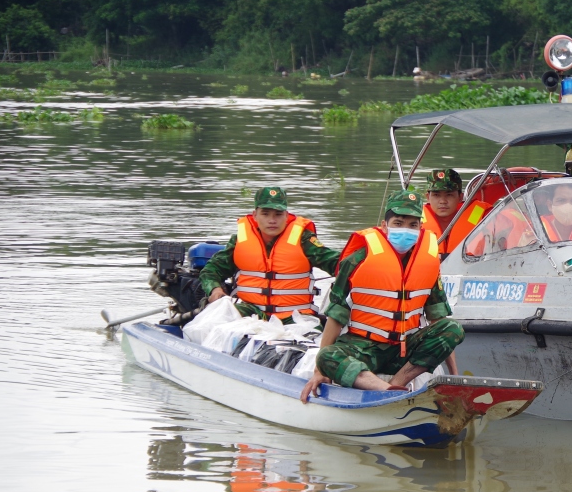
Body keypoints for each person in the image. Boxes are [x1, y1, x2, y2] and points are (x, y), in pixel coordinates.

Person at [299, 189, 463, 402]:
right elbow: (336, 316)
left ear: (420, 228)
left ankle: (397, 383)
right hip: (363, 348)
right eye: (398, 223)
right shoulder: (357, 260)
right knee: (326, 356)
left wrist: (455, 376)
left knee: (453, 329)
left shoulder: (428, 262)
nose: (405, 230)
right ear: (385, 226)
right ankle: (383, 390)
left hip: (403, 350)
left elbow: (438, 318)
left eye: (413, 225)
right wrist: (319, 370)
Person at [200, 186, 339, 321]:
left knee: (314, 336)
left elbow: (337, 264)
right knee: (216, 316)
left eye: (278, 214)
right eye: (265, 214)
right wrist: (215, 290)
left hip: (295, 315)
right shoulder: (239, 240)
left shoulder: (304, 239)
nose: (272, 220)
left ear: (286, 215)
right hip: (250, 312)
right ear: (255, 215)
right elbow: (211, 270)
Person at [420, 168, 488, 256]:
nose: (443, 201)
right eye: (436, 195)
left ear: (460, 197)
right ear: (428, 197)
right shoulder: (414, 220)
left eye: (449, 195)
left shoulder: (484, 216)